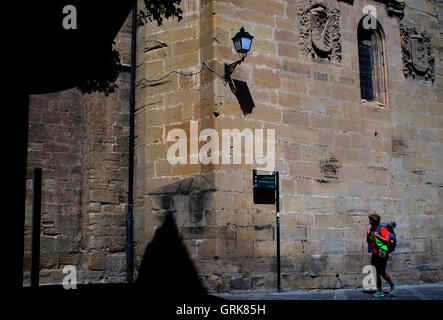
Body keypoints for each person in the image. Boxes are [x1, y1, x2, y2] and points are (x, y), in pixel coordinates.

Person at [366, 212, 397, 297]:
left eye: (370, 219)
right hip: (375, 253)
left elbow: (387, 240)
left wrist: (377, 236)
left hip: (382, 253)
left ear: (374, 220)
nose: (369, 221)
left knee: (382, 272)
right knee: (377, 273)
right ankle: (380, 292)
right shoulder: (371, 229)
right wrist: (368, 234)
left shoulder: (381, 228)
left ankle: (392, 285)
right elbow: (369, 241)